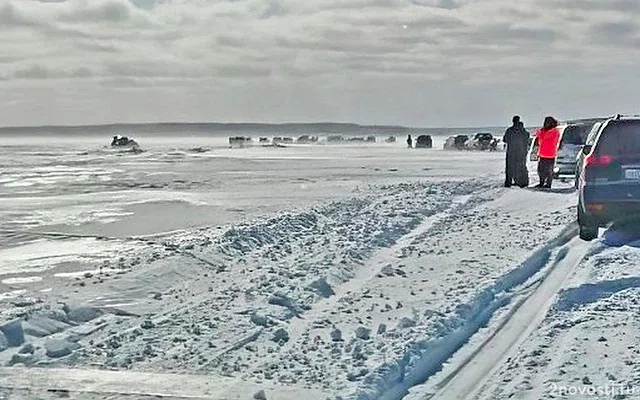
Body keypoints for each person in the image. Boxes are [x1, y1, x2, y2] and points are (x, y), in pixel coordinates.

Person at [503, 116, 530, 187]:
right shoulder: (524, 132)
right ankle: (522, 182)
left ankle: (508, 183)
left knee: (509, 168)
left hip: (511, 152)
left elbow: (505, 139)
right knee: (521, 167)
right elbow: (527, 141)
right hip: (522, 152)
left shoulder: (509, 130)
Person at [535, 116, 561, 188]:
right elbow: (538, 136)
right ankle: (541, 182)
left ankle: (548, 184)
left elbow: (544, 138)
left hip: (550, 154)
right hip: (542, 153)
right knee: (540, 170)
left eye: (548, 122)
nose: (546, 123)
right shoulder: (543, 131)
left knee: (549, 170)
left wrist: (541, 132)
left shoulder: (554, 131)